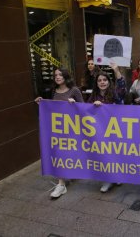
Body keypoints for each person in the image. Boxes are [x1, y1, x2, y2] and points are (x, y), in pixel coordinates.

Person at [34, 67, 84, 198]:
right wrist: (41, 103)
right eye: (55, 75)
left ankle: (70, 174)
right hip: (57, 130)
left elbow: (84, 109)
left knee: (70, 154)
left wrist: (75, 105)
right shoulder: (52, 91)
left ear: (66, 76)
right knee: (60, 154)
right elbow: (49, 108)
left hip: (72, 129)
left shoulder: (74, 90)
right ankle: (61, 184)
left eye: (60, 75)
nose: (57, 77)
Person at [87, 64, 126, 193]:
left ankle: (117, 175)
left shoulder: (114, 93)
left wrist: (116, 70)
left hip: (114, 130)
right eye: (99, 80)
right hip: (99, 132)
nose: (102, 83)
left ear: (108, 82)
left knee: (115, 154)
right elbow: (84, 112)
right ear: (96, 83)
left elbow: (122, 88)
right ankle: (107, 179)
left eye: (104, 80)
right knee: (103, 155)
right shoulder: (93, 97)